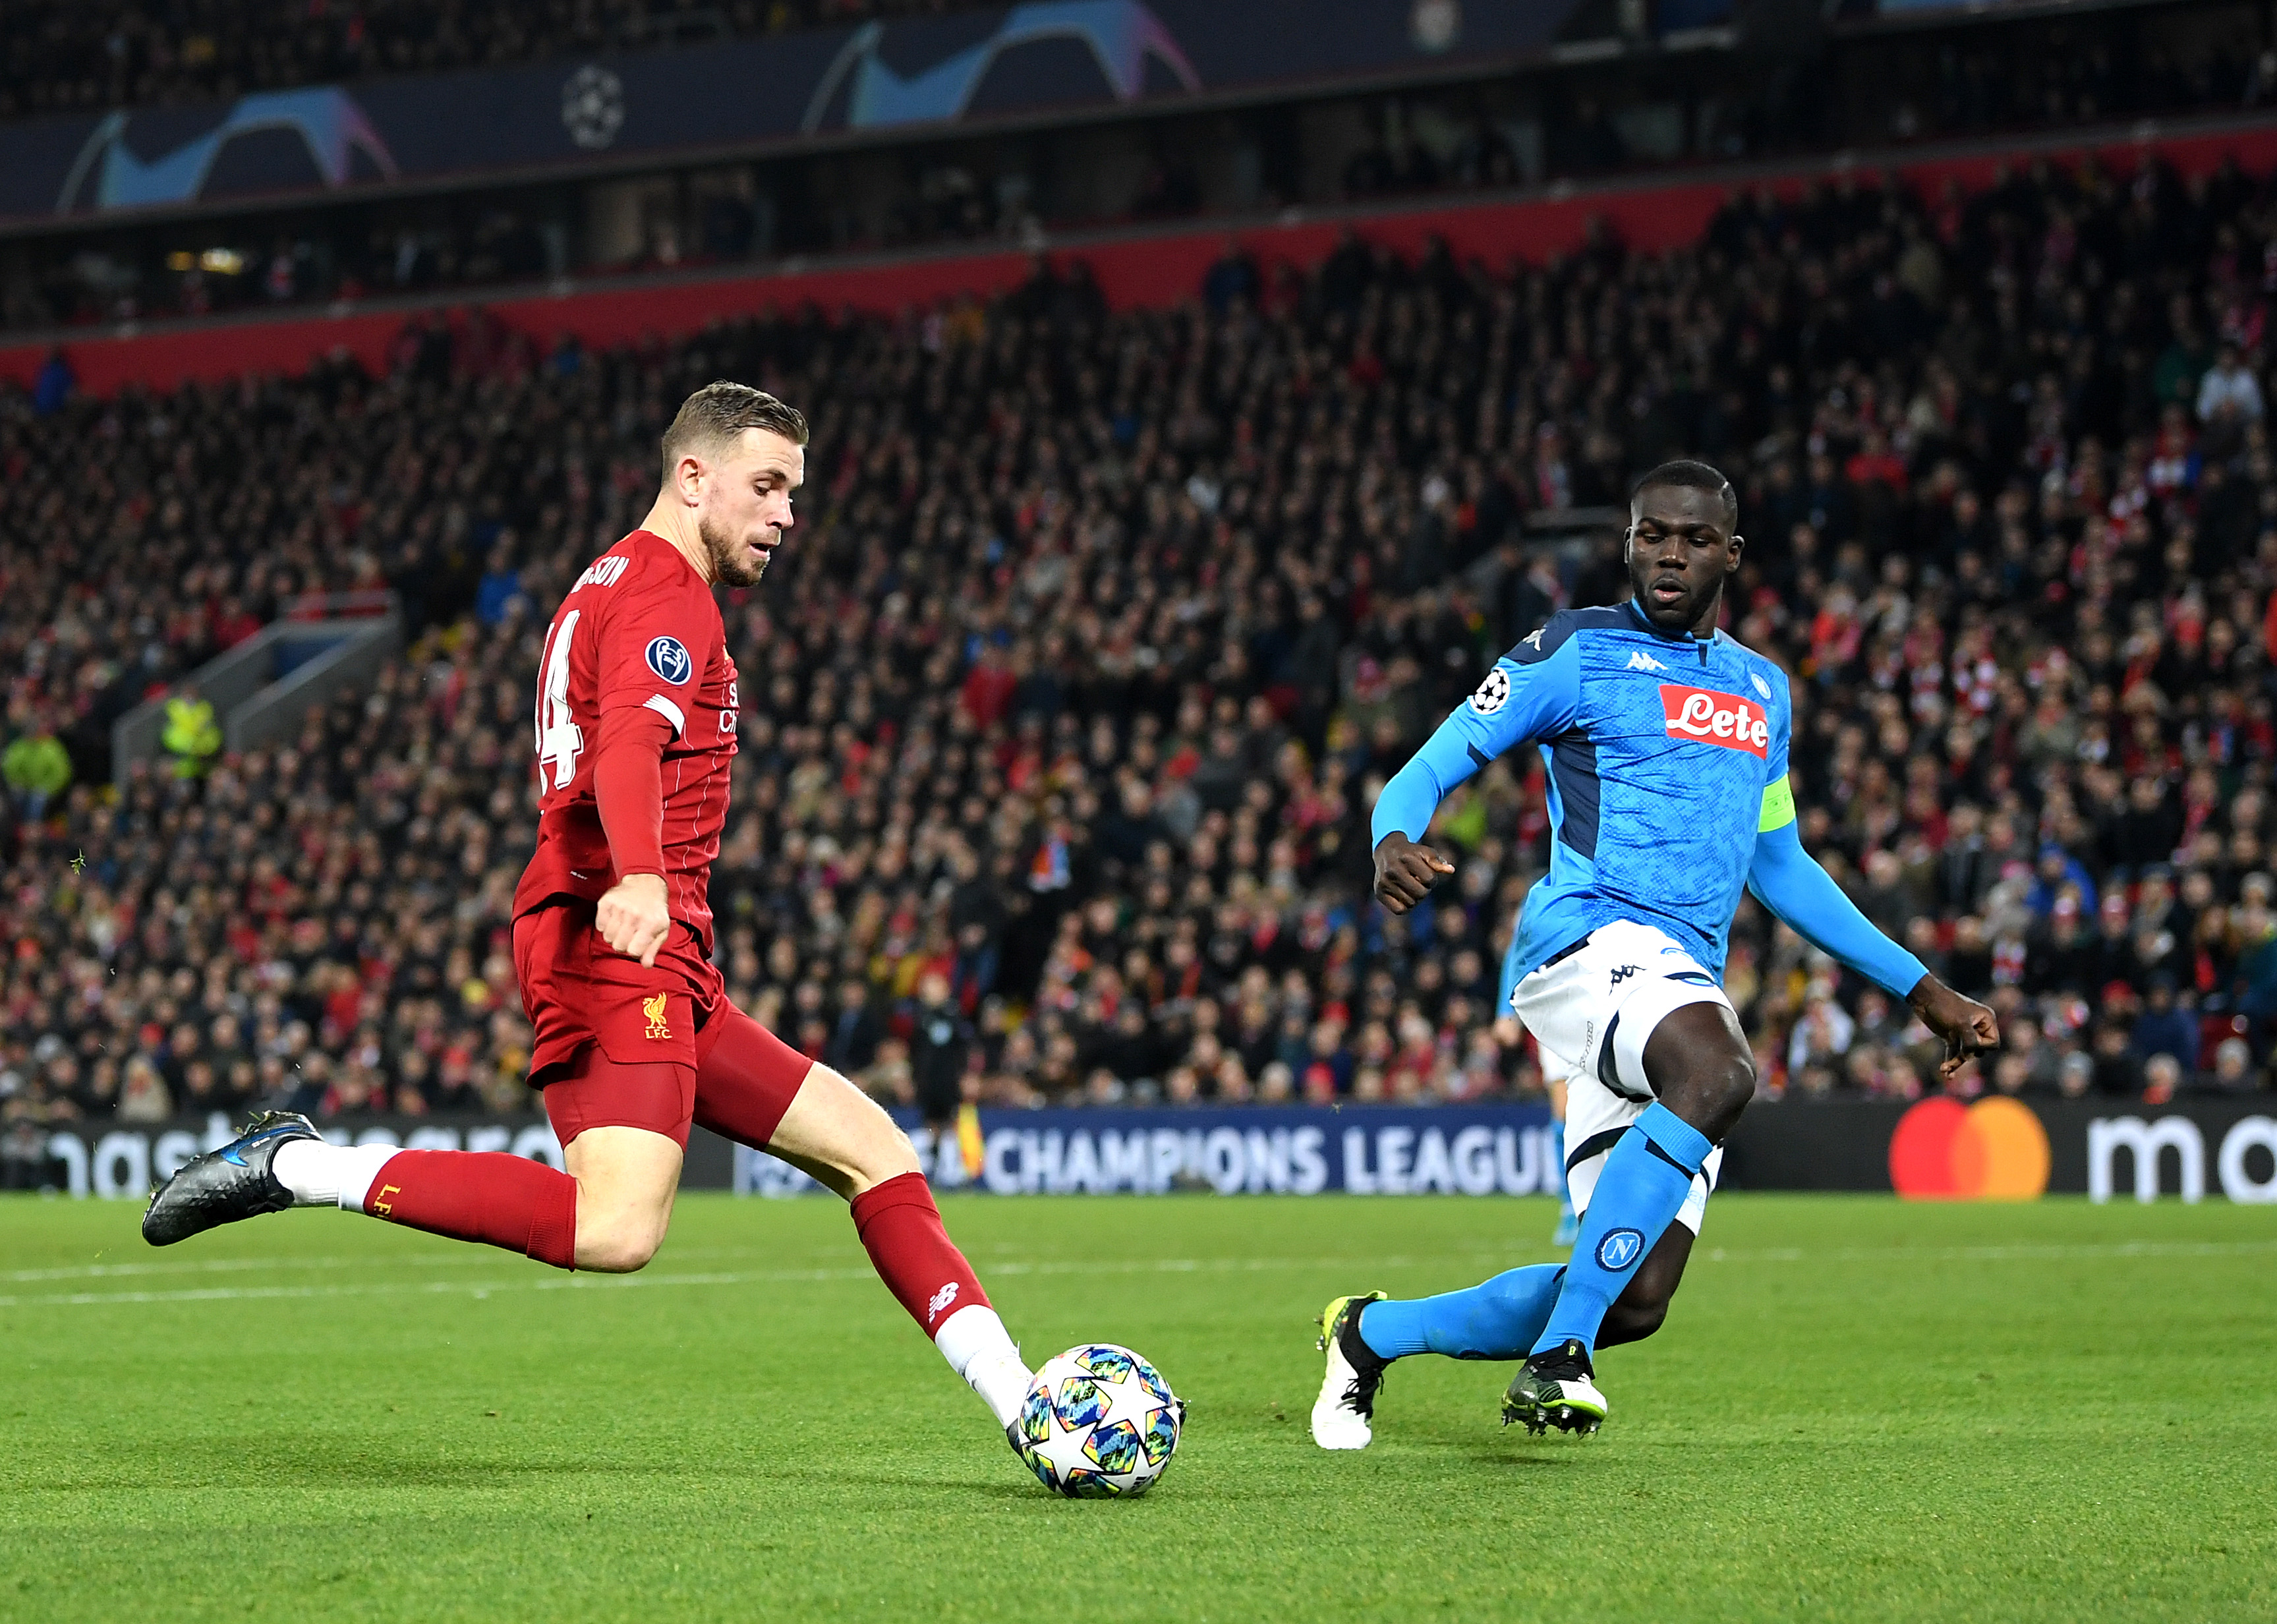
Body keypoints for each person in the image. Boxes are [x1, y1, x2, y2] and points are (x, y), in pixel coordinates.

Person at [144, 382, 1035, 1461]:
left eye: (793, 493)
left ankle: (1024, 1406)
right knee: (615, 1228)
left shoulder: (612, 575)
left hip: (651, 948)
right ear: (692, 477)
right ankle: (293, 1167)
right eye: (767, 487)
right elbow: (626, 751)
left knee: (874, 1151)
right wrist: (646, 876)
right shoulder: (670, 595)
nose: (786, 515)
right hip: (617, 938)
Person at [1310, 460, 1997, 1449]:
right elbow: (1439, 755)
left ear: (1732, 553)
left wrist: (1920, 985)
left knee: (1633, 1297)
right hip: (1587, 944)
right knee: (1720, 1069)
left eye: (1693, 538)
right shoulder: (1574, 652)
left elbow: (1782, 865)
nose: (1670, 552)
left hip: (1676, 987)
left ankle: (1368, 1336)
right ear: (1628, 542)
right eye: (1651, 534)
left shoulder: (1764, 692)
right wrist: (1393, 837)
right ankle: (1557, 1362)